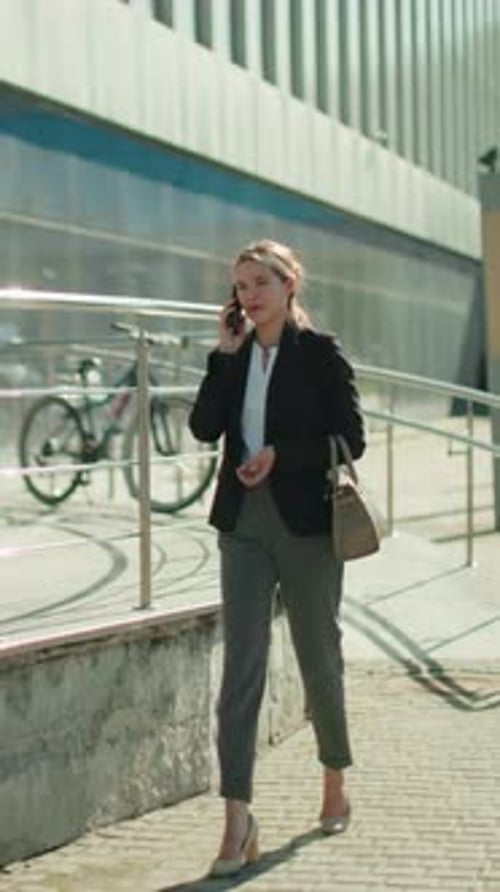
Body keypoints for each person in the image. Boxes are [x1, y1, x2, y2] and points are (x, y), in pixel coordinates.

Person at [189, 238, 365, 877]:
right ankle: (238, 820)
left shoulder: (319, 353)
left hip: (306, 526)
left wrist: (281, 456)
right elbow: (204, 430)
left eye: (260, 282)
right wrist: (221, 357)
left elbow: (352, 437)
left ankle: (334, 779)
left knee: (319, 655)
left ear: (291, 284)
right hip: (240, 522)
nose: (249, 294)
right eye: (240, 284)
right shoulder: (233, 356)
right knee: (242, 668)